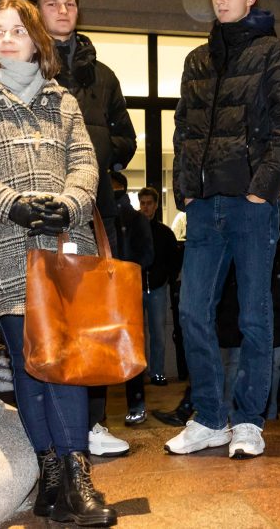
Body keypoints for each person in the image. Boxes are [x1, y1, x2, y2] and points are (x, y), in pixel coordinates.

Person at [0, 0, 116, 526]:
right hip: (3, 248)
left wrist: (67, 203)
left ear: (37, 39)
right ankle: (58, 477)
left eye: (18, 29)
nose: (8, 38)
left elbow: (87, 165)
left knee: (61, 362)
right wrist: (11, 204)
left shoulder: (63, 102)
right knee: (31, 365)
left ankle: (69, 479)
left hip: (64, 249)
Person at [165, 0, 280, 460]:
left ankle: (247, 419)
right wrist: (184, 190)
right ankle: (208, 417)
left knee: (254, 315)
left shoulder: (275, 55)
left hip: (251, 206)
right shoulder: (197, 61)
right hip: (203, 206)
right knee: (191, 310)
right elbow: (183, 130)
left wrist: (262, 187)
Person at [27, 0, 137, 458]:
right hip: (41, 211)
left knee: (92, 318)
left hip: (95, 210)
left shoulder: (104, 74)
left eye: (70, 3)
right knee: (48, 320)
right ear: (36, 11)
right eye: (53, 3)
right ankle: (46, 428)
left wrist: (93, 153)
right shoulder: (26, 68)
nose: (64, 11)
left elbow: (128, 140)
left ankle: (93, 423)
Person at [110, 172, 154, 426]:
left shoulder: (106, 216)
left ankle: (98, 413)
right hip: (125, 289)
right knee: (129, 347)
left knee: (106, 345)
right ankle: (135, 405)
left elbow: (147, 255)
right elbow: (147, 256)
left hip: (114, 289)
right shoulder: (134, 218)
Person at [137, 186, 182, 386]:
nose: (145, 207)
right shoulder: (133, 231)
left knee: (158, 334)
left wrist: (166, 278)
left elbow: (174, 259)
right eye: (142, 203)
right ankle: (137, 375)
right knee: (136, 335)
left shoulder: (164, 233)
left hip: (157, 288)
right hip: (136, 287)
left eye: (149, 203)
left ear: (155, 205)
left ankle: (157, 373)